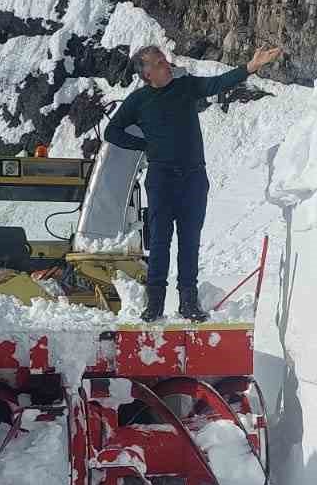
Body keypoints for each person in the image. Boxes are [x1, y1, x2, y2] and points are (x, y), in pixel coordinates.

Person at [105, 43, 281, 321]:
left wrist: (251, 66)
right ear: (147, 74)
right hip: (161, 179)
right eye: (159, 63)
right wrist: (145, 145)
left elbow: (217, 83)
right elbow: (112, 131)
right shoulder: (138, 101)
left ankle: (188, 302)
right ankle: (155, 304)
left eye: (164, 60)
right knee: (160, 241)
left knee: (189, 241)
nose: (167, 64)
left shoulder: (185, 86)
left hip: (194, 177)